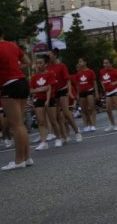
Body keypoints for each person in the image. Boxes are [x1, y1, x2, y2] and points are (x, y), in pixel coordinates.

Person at [0, 26, 32, 170]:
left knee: (16, 125)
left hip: (9, 85)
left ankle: (19, 161)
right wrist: (16, 67)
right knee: (20, 124)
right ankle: (27, 157)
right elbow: (28, 61)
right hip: (22, 82)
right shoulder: (12, 45)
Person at [48, 49, 82, 142]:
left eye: (50, 54)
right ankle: (64, 136)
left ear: (55, 55)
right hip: (54, 92)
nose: (48, 56)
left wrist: (70, 91)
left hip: (63, 90)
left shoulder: (61, 66)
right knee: (58, 115)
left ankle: (77, 132)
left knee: (66, 113)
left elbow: (67, 79)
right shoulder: (47, 67)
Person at [29, 54, 62, 150]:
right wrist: (41, 89)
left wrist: (42, 91)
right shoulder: (34, 77)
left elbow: (50, 88)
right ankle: (43, 142)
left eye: (40, 63)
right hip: (38, 100)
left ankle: (58, 138)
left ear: (46, 64)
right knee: (41, 121)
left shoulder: (50, 74)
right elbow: (31, 90)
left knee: (53, 120)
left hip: (50, 100)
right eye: (37, 63)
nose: (38, 65)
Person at [98, 58, 117, 131]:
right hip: (108, 92)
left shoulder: (114, 70)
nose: (105, 65)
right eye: (104, 63)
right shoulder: (101, 71)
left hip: (115, 90)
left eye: (107, 63)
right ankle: (112, 124)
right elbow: (101, 80)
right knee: (108, 109)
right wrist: (103, 87)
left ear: (111, 64)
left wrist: (116, 83)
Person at [74, 57, 99, 132]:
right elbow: (78, 85)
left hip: (89, 91)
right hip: (82, 93)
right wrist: (77, 94)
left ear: (85, 62)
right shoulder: (78, 74)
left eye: (81, 61)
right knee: (84, 109)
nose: (79, 63)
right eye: (79, 62)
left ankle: (93, 125)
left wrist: (96, 93)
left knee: (91, 107)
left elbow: (94, 82)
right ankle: (88, 124)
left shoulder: (90, 72)